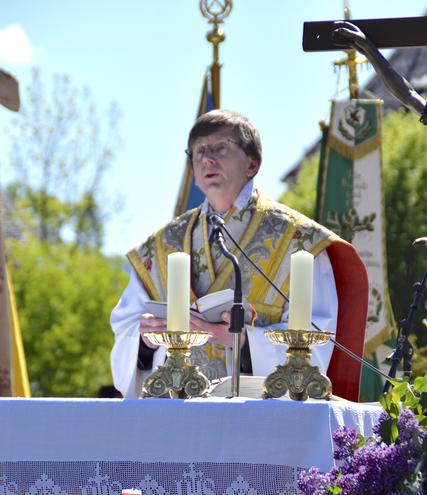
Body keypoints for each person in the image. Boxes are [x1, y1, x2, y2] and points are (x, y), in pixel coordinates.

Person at [111, 110, 368, 400]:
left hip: (259, 417)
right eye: (198, 152)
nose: (207, 159)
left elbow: (317, 337)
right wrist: (144, 340)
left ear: (252, 164)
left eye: (220, 148)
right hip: (176, 414)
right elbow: (126, 331)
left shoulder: (298, 240)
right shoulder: (162, 245)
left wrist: (244, 341)